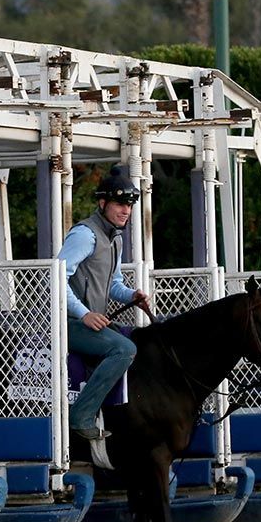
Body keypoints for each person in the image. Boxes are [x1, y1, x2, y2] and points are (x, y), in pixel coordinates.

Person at [58, 166, 150, 440]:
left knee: (143, 340)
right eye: (120, 204)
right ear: (102, 203)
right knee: (124, 349)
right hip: (68, 323)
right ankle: (81, 416)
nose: (126, 211)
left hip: (88, 322)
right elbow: (56, 279)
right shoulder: (85, 235)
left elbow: (113, 285)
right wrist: (84, 314)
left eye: (130, 206)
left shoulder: (115, 239)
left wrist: (132, 295)